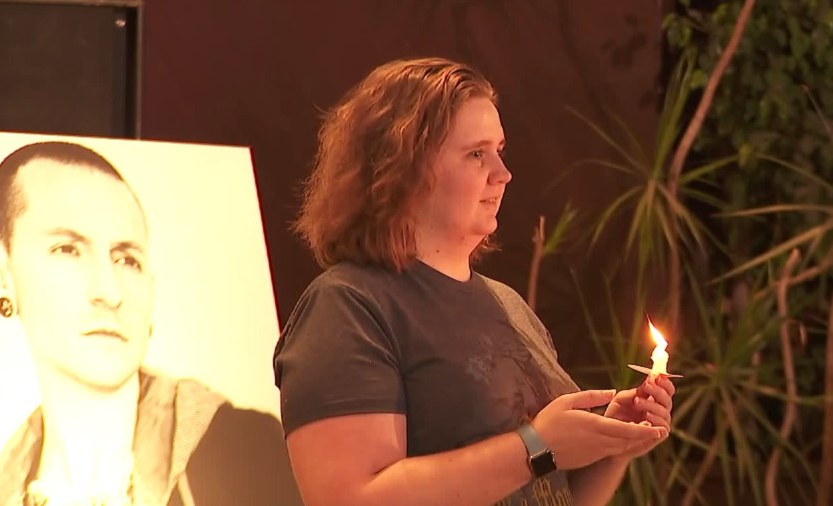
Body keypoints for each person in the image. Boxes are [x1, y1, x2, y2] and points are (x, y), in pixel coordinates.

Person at [273, 57, 676, 505]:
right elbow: (348, 498)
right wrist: (537, 447)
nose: (503, 174)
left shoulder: (509, 305)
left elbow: (552, 492)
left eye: (500, 151)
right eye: (476, 153)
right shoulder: (349, 305)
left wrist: (611, 447)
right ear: (403, 167)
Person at [0, 141, 301, 506]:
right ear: (5, 275)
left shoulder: (242, 449)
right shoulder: (10, 483)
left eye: (127, 260)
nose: (109, 292)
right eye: (68, 250)